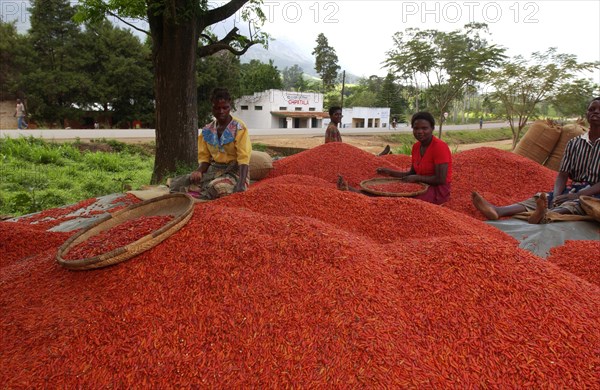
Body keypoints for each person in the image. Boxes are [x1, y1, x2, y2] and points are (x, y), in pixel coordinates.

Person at [472, 97, 600, 224]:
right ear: (587, 114)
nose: (595, 112)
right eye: (592, 109)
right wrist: (556, 195)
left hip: (595, 193)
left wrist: (577, 195)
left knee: (576, 204)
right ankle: (499, 210)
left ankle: (545, 215)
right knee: (542, 197)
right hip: (575, 188)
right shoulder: (574, 143)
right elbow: (563, 175)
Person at [338, 111, 452, 205]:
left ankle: (359, 194)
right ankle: (356, 192)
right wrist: (389, 172)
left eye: (424, 128)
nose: (420, 132)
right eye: (416, 128)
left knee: (400, 201)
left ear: (432, 128)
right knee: (389, 190)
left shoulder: (439, 147)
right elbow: (411, 173)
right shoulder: (416, 147)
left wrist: (416, 178)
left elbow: (440, 179)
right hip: (419, 184)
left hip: (437, 191)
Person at [170, 88, 251, 200]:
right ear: (212, 107)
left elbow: (243, 158)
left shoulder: (239, 128)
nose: (221, 111)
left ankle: (197, 193)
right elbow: (205, 159)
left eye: (225, 107)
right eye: (217, 108)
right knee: (177, 183)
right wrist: (199, 171)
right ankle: (197, 192)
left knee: (217, 188)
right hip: (214, 170)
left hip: (236, 172)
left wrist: (241, 185)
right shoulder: (207, 131)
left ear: (230, 106)